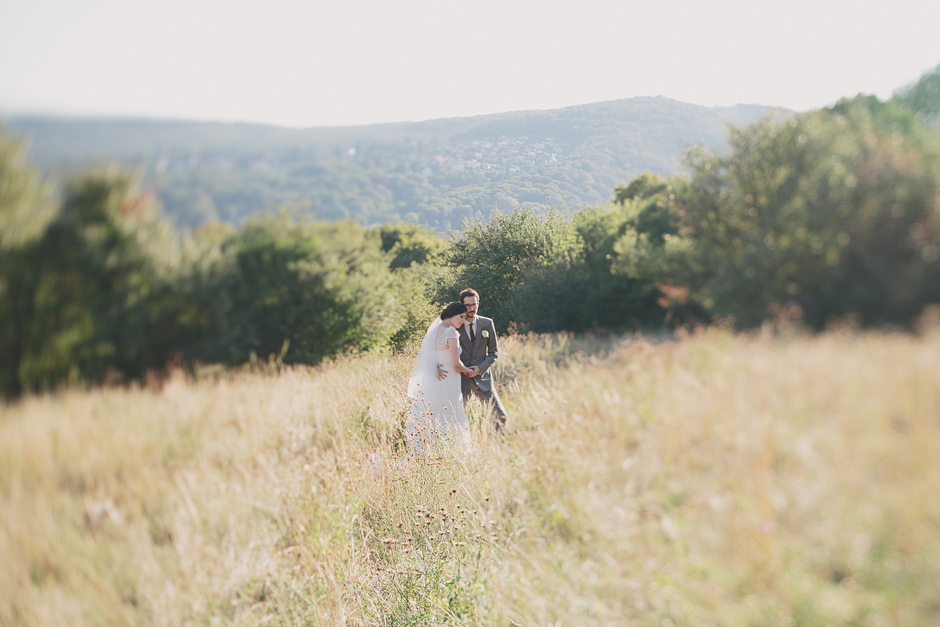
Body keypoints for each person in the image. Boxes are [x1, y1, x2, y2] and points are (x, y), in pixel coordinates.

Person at [406, 302, 473, 456]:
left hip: (435, 380)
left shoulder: (434, 330)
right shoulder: (451, 333)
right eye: (461, 317)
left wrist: (434, 365)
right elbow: (456, 364)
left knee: (435, 412)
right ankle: (452, 452)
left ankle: (430, 451)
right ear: (452, 314)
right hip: (449, 380)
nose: (463, 321)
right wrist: (469, 370)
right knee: (450, 413)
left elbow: (427, 355)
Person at [456, 288, 508, 431]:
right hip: (460, 381)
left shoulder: (487, 323)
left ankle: (499, 447)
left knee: (501, 416)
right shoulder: (455, 325)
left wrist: (479, 368)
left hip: (483, 378)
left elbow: (493, 353)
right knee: (455, 419)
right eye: (468, 305)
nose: (472, 308)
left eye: (475, 304)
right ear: (462, 306)